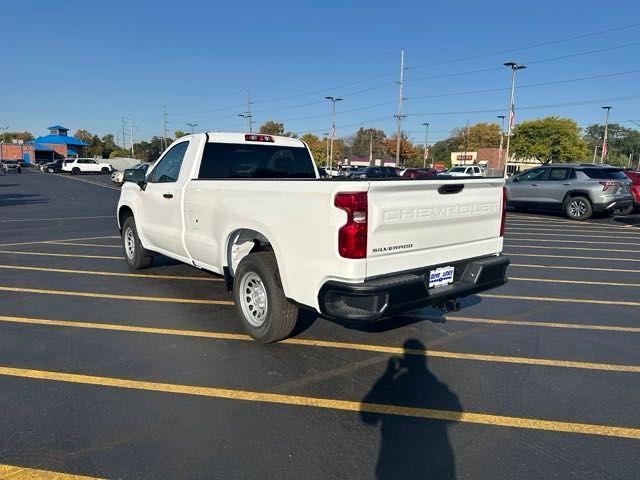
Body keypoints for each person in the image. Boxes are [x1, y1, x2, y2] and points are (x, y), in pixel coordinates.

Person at [361, 339, 462, 479]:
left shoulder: (396, 383)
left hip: (394, 459)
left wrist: (388, 375)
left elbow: (367, 417)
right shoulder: (436, 386)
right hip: (433, 460)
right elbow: (456, 412)